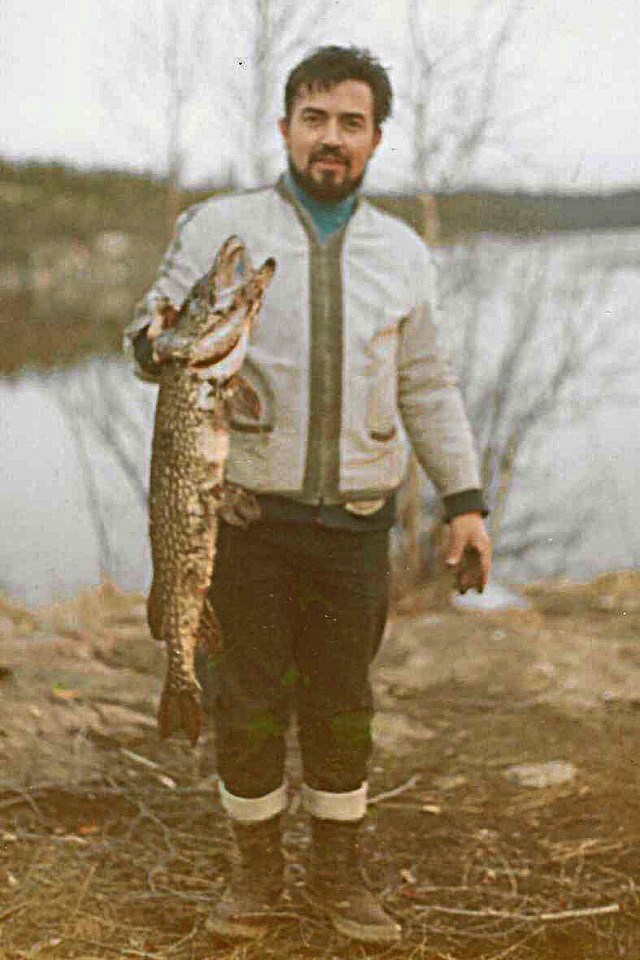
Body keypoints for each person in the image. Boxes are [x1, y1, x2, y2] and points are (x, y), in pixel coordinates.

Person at [126, 45, 492, 945]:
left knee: (342, 704)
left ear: (376, 138)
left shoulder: (400, 253)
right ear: (286, 125)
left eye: (352, 123)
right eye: (316, 118)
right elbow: (153, 325)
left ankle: (338, 877)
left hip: (355, 524)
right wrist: (152, 338)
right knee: (245, 700)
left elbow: (428, 385)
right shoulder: (223, 225)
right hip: (241, 519)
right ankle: (255, 883)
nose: (333, 139)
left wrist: (465, 499)